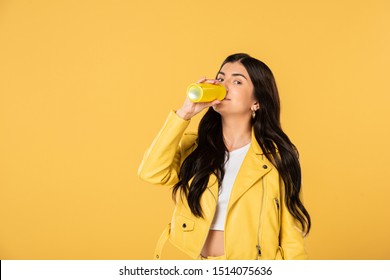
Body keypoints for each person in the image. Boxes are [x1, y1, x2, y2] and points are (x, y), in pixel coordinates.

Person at [138, 53, 311, 260]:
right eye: (220, 79)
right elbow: (151, 172)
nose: (224, 85)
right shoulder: (196, 148)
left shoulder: (277, 158)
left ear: (256, 101)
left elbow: (292, 236)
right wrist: (184, 113)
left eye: (237, 81)